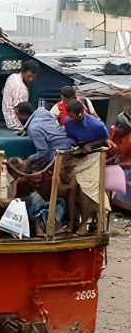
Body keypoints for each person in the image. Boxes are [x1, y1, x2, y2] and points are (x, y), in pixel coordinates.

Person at [63, 100, 111, 235]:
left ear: (81, 113)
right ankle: (71, 222)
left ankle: (85, 223)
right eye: (70, 116)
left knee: (86, 187)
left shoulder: (96, 124)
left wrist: (90, 146)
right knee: (72, 186)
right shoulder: (67, 122)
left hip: (94, 155)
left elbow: (106, 138)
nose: (73, 119)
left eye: (75, 117)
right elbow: (70, 137)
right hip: (78, 155)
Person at [14, 102, 72, 170]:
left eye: (17, 114)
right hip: (70, 144)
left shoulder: (33, 128)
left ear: (23, 114)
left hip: (58, 152)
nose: (16, 118)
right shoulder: (46, 114)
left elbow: (43, 153)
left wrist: (28, 160)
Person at [2, 60, 39, 132]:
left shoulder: (13, 76)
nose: (31, 79)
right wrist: (20, 126)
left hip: (10, 119)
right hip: (15, 123)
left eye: (33, 77)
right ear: (23, 71)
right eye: (29, 76)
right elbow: (18, 110)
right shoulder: (20, 88)